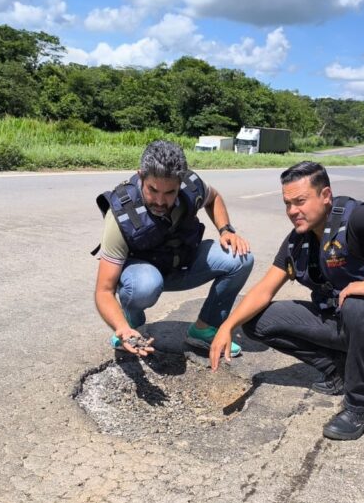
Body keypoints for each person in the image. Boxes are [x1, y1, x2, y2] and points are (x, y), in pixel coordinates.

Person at [209, 161, 364, 440]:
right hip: (339, 320)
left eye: (300, 201)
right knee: (255, 321)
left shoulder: (353, 220)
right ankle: (336, 370)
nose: (293, 211)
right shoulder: (297, 241)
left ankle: (360, 407)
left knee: (358, 302)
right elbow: (264, 290)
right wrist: (227, 326)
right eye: (287, 204)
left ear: (325, 196)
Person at [94, 140, 253, 356]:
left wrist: (226, 230)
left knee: (241, 258)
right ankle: (133, 323)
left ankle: (205, 329)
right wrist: (120, 327)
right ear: (141, 176)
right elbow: (104, 291)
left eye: (170, 192)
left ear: (181, 182)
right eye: (152, 190)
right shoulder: (122, 214)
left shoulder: (191, 185)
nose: (160, 200)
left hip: (182, 263)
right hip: (143, 277)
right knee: (145, 285)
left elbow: (213, 198)